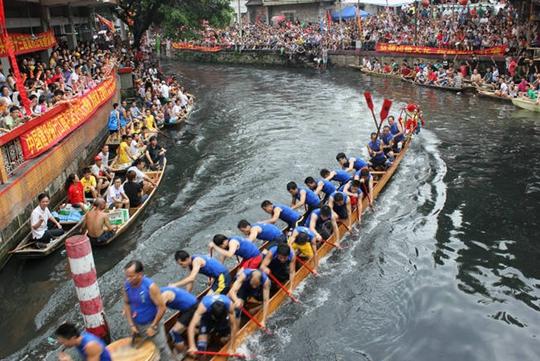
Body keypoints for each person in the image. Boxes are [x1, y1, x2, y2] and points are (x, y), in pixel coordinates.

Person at [123, 260, 173, 358]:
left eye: (131, 276)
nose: (128, 279)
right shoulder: (126, 285)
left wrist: (153, 326)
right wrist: (131, 324)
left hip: (151, 323)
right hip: (136, 323)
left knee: (161, 349)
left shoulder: (150, 287)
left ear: (140, 274)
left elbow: (162, 308)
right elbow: (126, 304)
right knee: (138, 348)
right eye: (127, 276)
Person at [160, 286, 198, 353]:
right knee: (183, 326)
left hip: (191, 308)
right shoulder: (161, 290)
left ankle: (183, 354)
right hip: (188, 307)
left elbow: (160, 312)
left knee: (173, 332)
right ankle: (202, 333)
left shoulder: (164, 295)